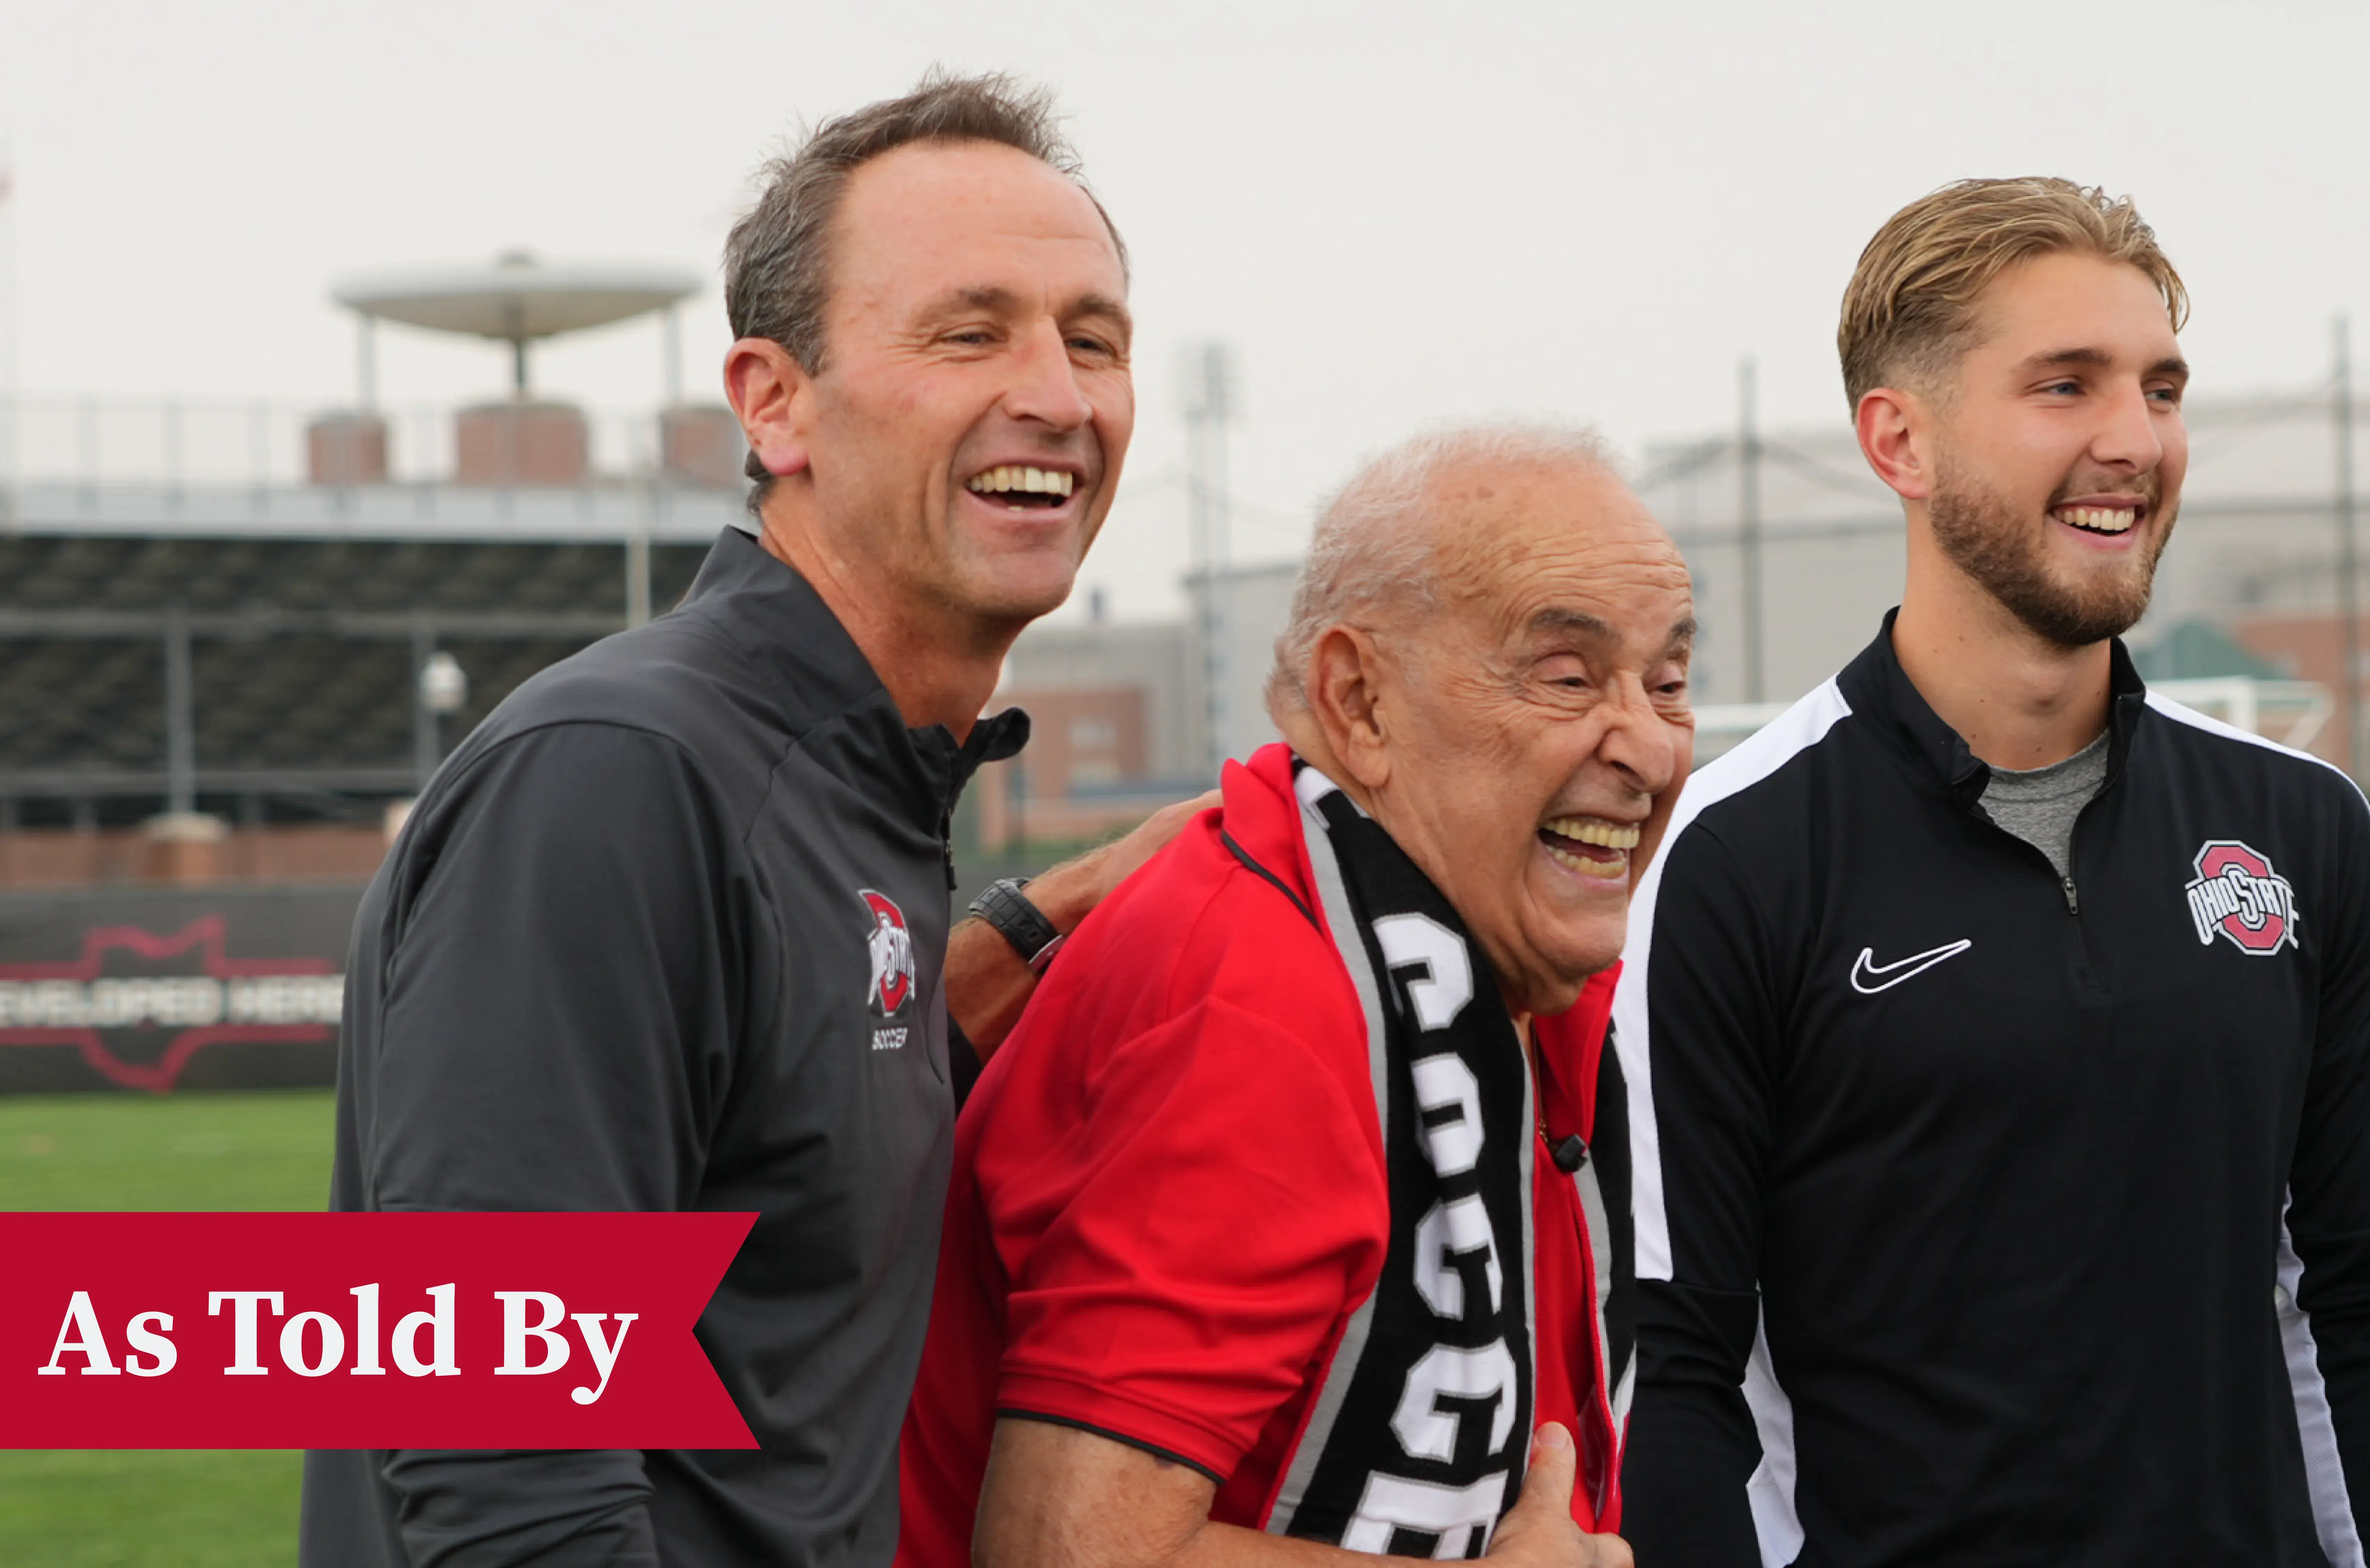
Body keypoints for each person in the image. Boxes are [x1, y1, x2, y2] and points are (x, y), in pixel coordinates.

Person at [301, 72, 1189, 1567]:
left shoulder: (855, 774)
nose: (1056, 390)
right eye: (970, 331)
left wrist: (1058, 915)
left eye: (1090, 338)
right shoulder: (618, 777)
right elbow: (507, 1477)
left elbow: (782, 1146)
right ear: (775, 404)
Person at [1620, 178, 2370, 1567]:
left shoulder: (2296, 822)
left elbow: (2366, 1297)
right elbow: (1679, 1363)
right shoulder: (1731, 852)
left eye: (2160, 388)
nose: (2133, 441)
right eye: (2062, 388)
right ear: (1899, 439)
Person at [896, 424, 1695, 1566]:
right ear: (1359, 702)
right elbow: (1069, 1552)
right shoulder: (1263, 1000)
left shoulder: (1469, 932)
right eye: (1567, 677)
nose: (1653, 748)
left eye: (1668, 681)